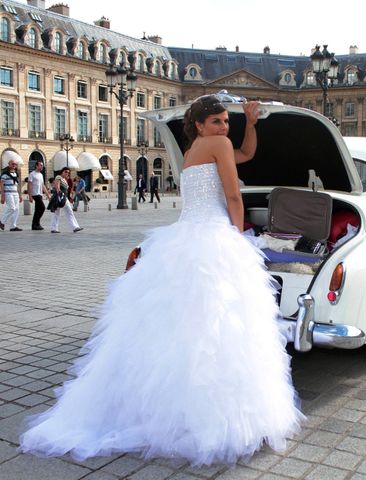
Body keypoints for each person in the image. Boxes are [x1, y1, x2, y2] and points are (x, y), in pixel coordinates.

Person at [20, 95, 303, 466]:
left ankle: (167, 409)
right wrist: (238, 239)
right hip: (215, 234)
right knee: (220, 326)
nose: (223, 128)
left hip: (188, 234)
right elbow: (234, 196)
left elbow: (245, 155)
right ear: (200, 124)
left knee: (182, 327)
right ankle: (211, 414)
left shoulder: (197, 148)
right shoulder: (216, 144)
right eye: (216, 121)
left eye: (226, 123)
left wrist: (250, 123)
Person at [49, 167, 83, 233]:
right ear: (62, 172)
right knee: (58, 212)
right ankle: (54, 228)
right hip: (60, 196)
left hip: (64, 197)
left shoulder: (64, 179)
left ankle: (74, 227)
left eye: (68, 172)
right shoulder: (58, 177)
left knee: (67, 211)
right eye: (65, 172)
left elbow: (67, 189)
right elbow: (57, 187)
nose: (67, 173)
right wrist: (59, 195)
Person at [27, 159, 51, 230]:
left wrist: (48, 195)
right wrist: (30, 195)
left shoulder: (41, 175)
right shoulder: (32, 174)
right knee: (42, 207)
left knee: (38, 209)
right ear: (36, 166)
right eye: (40, 165)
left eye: (42, 165)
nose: (41, 167)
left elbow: (43, 185)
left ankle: (35, 224)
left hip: (40, 193)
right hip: (35, 194)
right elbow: (29, 185)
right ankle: (36, 223)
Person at [0, 159, 23, 231]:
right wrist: (2, 195)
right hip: (8, 193)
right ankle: (2, 221)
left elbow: (18, 185)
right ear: (9, 164)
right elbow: (1, 185)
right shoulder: (5, 174)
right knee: (12, 208)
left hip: (15, 193)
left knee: (17, 210)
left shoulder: (16, 173)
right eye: (12, 164)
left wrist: (20, 194)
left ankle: (13, 226)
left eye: (15, 164)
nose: (14, 165)